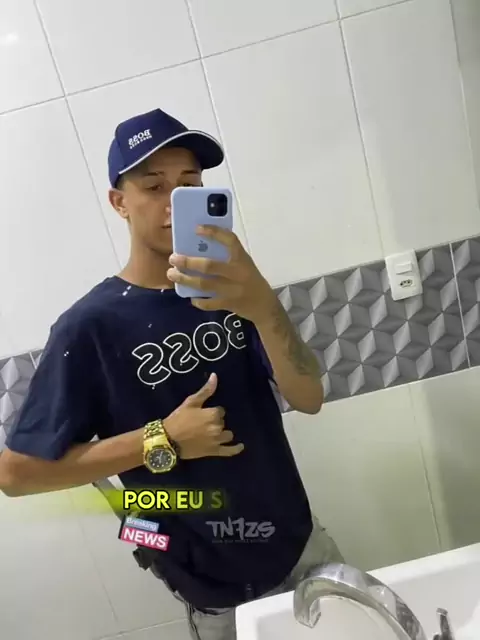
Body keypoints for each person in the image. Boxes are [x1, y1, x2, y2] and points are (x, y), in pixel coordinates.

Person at [0, 108, 343, 640]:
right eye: (154, 186)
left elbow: (309, 396)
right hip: (218, 599)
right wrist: (162, 439)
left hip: (306, 554)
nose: (172, 201)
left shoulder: (234, 290)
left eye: (188, 185)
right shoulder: (91, 326)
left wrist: (261, 302)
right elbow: (16, 475)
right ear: (119, 202)